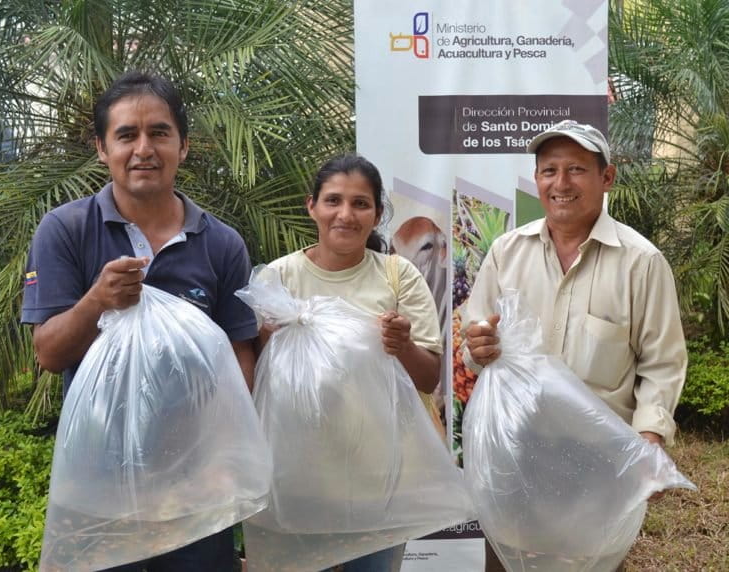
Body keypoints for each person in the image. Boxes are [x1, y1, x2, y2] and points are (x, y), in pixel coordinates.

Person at [21, 71, 257, 571]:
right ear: (103, 149)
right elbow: (49, 353)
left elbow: (239, 354)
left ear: (184, 146)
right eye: (126, 135)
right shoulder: (66, 230)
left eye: (159, 133)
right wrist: (98, 301)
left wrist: (224, 459)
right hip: (99, 482)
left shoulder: (221, 243)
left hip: (194, 483)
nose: (143, 148)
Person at [462, 119, 687, 572]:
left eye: (576, 170)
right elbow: (474, 343)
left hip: (597, 461)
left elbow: (661, 363)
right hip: (518, 454)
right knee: (506, 562)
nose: (560, 184)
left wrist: (649, 438)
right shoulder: (507, 252)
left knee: (591, 562)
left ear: (606, 177)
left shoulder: (641, 262)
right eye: (549, 170)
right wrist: (479, 346)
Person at [264, 153, 443, 571]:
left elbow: (430, 375)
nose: (345, 214)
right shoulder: (279, 278)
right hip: (301, 479)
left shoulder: (398, 276)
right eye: (333, 201)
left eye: (360, 204)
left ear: (378, 213)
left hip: (378, 482)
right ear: (312, 206)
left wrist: (403, 346)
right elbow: (256, 376)